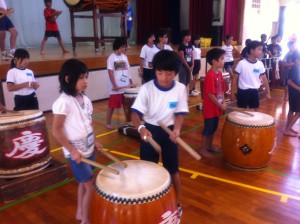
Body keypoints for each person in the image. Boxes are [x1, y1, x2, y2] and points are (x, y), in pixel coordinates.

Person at [131, 50, 188, 221]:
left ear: (175, 73)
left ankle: (177, 204)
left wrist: (177, 129)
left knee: (173, 171)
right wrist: (141, 128)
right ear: (154, 71)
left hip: (170, 132)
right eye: (160, 72)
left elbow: (179, 113)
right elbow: (134, 114)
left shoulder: (180, 88)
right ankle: (147, 204)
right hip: (150, 130)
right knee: (148, 171)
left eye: (169, 73)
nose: (164, 77)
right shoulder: (147, 89)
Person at [52, 59, 103, 224]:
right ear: (68, 79)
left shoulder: (86, 100)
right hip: (76, 154)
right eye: (81, 78)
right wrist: (72, 151)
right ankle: (86, 220)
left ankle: (80, 211)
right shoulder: (63, 102)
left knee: (83, 183)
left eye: (86, 77)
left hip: (88, 150)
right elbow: (56, 130)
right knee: (90, 185)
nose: (85, 81)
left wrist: (94, 140)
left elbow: (87, 124)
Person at [200, 48, 227, 158]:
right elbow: (210, 94)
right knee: (208, 128)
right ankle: (203, 149)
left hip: (217, 107)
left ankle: (210, 146)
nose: (223, 61)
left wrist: (224, 102)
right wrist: (220, 105)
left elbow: (222, 90)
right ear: (214, 62)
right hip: (210, 108)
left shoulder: (219, 74)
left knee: (214, 127)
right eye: (222, 59)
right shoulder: (210, 76)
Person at [231, 40, 271, 110]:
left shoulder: (260, 64)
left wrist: (268, 92)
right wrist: (232, 93)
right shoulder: (242, 63)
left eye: (261, 50)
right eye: (259, 50)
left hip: (254, 91)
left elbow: (264, 79)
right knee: (242, 113)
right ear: (252, 50)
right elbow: (234, 78)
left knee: (255, 111)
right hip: (243, 92)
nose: (261, 52)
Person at [106, 37, 133, 129]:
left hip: (124, 86)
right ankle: (108, 123)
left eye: (124, 47)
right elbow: (110, 72)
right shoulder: (111, 58)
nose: (123, 49)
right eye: (122, 47)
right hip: (116, 87)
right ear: (117, 46)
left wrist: (130, 80)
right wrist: (114, 85)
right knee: (112, 106)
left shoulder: (125, 57)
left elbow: (128, 70)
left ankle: (128, 121)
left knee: (126, 104)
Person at [284, 52, 300, 137]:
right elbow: (289, 82)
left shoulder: (297, 68)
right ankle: (287, 129)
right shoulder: (294, 69)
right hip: (295, 93)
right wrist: (298, 88)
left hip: (295, 93)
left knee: (292, 110)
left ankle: (288, 128)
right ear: (296, 60)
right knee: (298, 112)